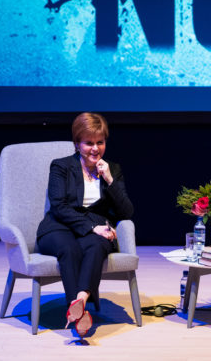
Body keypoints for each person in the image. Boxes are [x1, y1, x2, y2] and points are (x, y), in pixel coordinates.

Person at [36, 112, 134, 337]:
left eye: (100, 142)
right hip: (58, 227)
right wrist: (92, 227)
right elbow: (59, 206)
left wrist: (109, 180)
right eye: (89, 143)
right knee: (69, 248)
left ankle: (78, 304)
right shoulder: (61, 167)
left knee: (98, 245)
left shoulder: (113, 170)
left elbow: (126, 212)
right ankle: (80, 312)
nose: (95, 148)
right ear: (77, 144)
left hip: (94, 230)